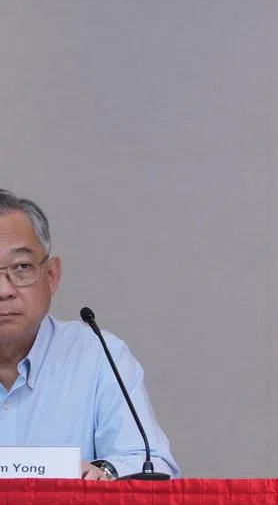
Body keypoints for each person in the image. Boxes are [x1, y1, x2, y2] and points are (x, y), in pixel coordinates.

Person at [0, 190, 178, 479]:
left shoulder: (99, 357)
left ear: (52, 276)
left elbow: (152, 467)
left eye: (22, 267)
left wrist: (105, 473)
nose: (4, 290)